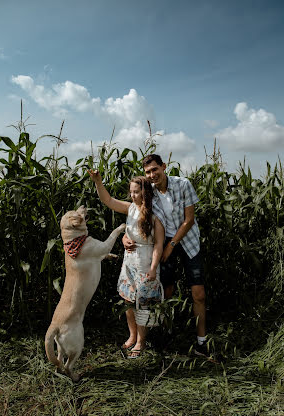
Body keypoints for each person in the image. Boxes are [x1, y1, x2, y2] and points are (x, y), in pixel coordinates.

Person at [123, 154, 208, 357]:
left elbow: (188, 221)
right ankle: (164, 335)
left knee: (198, 294)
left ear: (163, 166)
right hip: (162, 243)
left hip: (187, 241)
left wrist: (170, 246)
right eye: (148, 172)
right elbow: (134, 216)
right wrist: (124, 237)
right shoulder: (148, 192)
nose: (152, 175)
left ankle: (202, 342)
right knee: (165, 291)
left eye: (155, 169)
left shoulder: (183, 184)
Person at [88, 170, 165, 359]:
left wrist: (154, 267)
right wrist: (98, 181)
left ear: (145, 192)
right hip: (129, 262)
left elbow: (158, 245)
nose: (132, 195)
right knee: (128, 300)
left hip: (146, 263)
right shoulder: (130, 208)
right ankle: (132, 335)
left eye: (136, 192)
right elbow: (108, 200)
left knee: (143, 304)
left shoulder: (156, 216)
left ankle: (141, 342)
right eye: (131, 192)